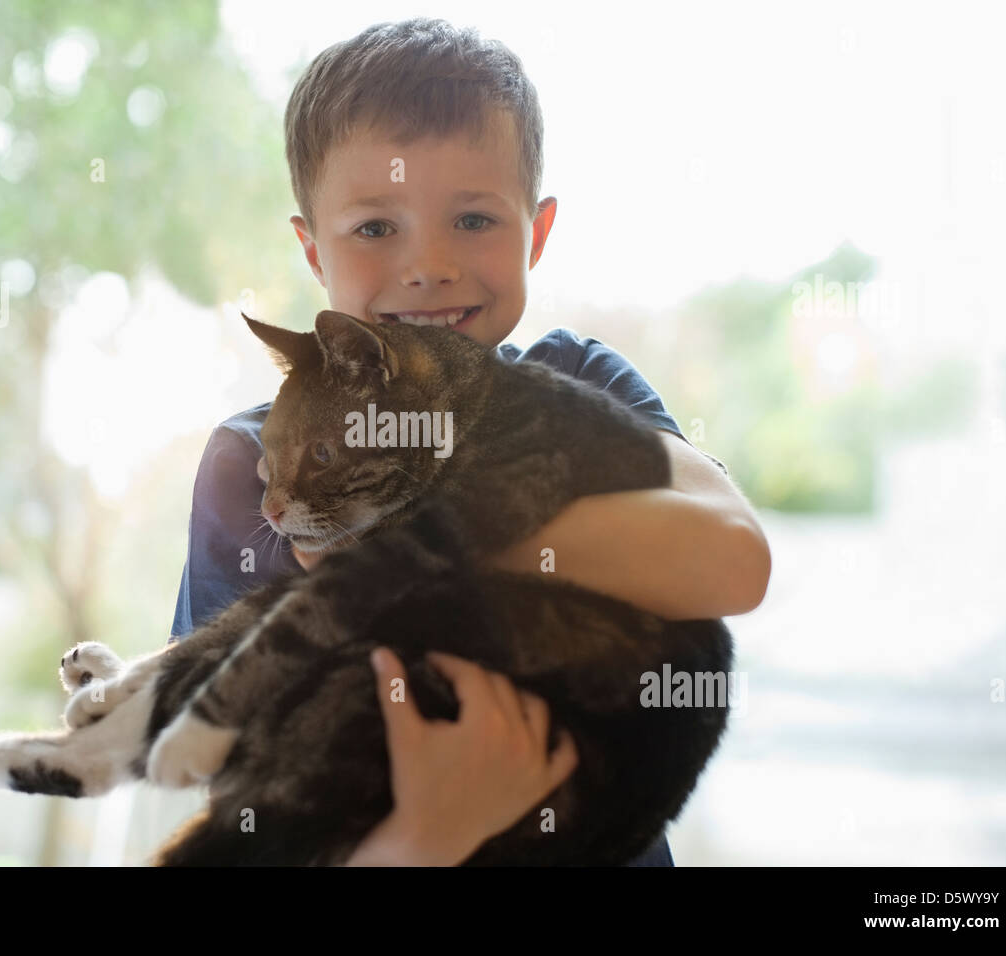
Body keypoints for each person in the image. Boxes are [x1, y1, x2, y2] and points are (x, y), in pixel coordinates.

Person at [170, 17, 771, 866]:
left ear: (537, 231)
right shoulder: (258, 468)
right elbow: (244, 797)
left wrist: (397, 545)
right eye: (376, 228)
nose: (429, 266)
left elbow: (733, 559)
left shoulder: (585, 388)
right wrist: (426, 838)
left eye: (476, 221)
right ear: (313, 251)